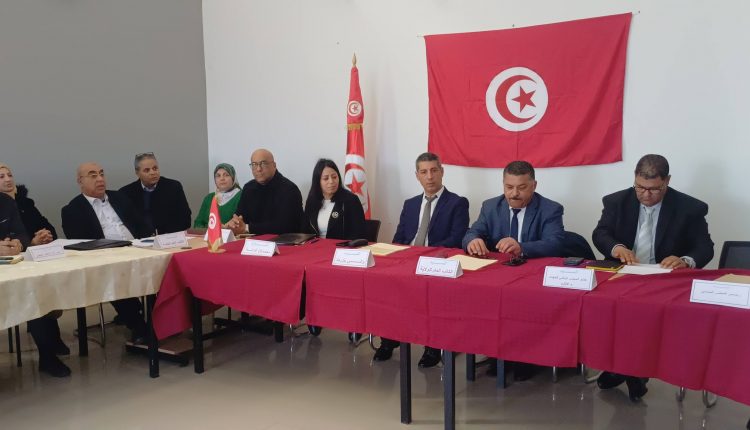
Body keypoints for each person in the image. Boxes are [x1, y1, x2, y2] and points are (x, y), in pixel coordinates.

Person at [592, 154, 714, 401]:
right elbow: (600, 233)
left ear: (667, 181)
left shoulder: (690, 208)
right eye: (640, 187)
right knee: (605, 307)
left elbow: (704, 247)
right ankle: (629, 368)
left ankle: (627, 368)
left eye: (654, 189)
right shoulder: (616, 201)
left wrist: (685, 260)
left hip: (666, 279)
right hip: (626, 273)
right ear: (634, 179)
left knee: (645, 312)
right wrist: (616, 248)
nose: (646, 195)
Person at [462, 160, 565, 380]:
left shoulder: (550, 209)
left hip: (533, 277)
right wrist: (473, 240)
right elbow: (472, 232)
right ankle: (497, 355)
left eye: (521, 187)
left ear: (534, 185)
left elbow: (556, 243)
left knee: (524, 303)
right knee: (481, 298)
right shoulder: (491, 206)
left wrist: (522, 247)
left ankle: (526, 358)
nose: (514, 194)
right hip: (499, 277)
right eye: (509, 187)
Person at [373, 152, 469, 368]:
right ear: (417, 176)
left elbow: (456, 239)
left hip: (436, 264)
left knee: (431, 292)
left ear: (442, 172)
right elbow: (399, 238)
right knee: (385, 285)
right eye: (424, 172)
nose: (430, 176)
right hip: (407, 261)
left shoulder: (457, 203)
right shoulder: (410, 204)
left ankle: (432, 346)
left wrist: (424, 256)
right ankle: (389, 339)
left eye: (434, 170)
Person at [61, 162, 151, 344]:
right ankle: (138, 325)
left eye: (102, 174)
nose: (100, 179)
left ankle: (160, 319)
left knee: (165, 265)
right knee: (112, 275)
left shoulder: (120, 198)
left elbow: (143, 225)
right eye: (93, 175)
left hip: (138, 250)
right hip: (105, 257)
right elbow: (81, 245)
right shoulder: (72, 210)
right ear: (80, 181)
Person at [0, 163, 70, 377]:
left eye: (9, 175)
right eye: (1, 176)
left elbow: (20, 232)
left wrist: (19, 244)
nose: (7, 179)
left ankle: (47, 355)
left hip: (12, 265)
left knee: (36, 288)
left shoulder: (7, 202)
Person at [302, 158, 366, 336]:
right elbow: (305, 231)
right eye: (326, 178)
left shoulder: (349, 200)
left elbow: (358, 233)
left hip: (342, 255)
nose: (331, 182)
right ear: (318, 181)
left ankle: (353, 323)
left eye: (334, 176)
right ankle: (315, 316)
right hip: (316, 255)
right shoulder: (312, 202)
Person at [227, 149, 303, 236]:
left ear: (274, 165)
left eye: (263, 163)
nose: (258, 169)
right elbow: (240, 216)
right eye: (254, 164)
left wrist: (247, 228)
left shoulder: (289, 189)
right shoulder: (249, 188)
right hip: (251, 241)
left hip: (283, 242)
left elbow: (285, 226)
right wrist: (233, 223)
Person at [119, 152, 192, 234]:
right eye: (147, 170)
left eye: (155, 168)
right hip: (139, 238)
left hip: (168, 236)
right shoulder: (126, 193)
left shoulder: (173, 187)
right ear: (137, 173)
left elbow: (185, 219)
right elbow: (125, 223)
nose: (152, 173)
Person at [193, 163, 242, 228]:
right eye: (218, 176)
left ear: (233, 178)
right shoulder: (209, 198)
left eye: (226, 175)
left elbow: (241, 223)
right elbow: (198, 223)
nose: (222, 178)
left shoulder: (242, 196)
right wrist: (209, 231)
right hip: (207, 234)